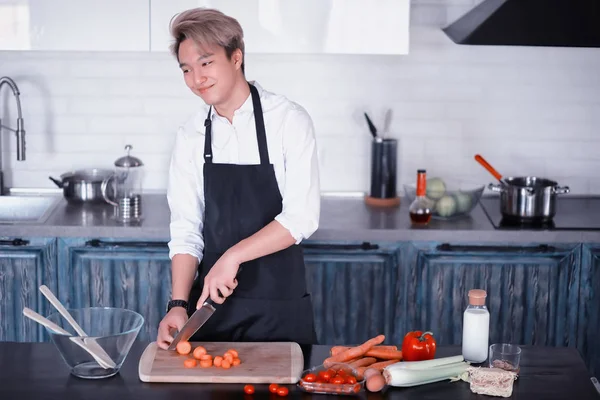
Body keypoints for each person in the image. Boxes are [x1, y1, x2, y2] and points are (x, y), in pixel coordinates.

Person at [156, 7, 321, 350]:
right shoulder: (189, 136)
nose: (196, 78)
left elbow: (301, 217)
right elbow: (186, 230)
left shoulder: (288, 121)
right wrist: (178, 305)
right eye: (186, 69)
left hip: (280, 309)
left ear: (236, 58)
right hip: (213, 313)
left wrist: (232, 257)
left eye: (206, 63)